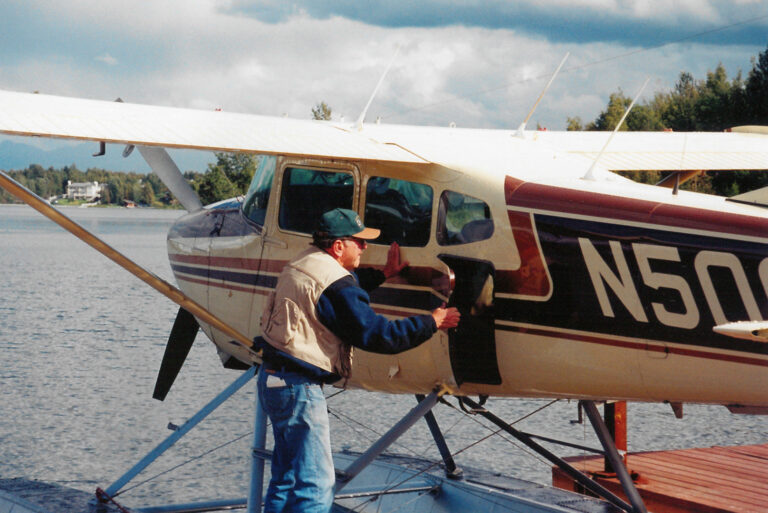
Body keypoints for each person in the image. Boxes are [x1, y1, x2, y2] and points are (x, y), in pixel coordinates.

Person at [254, 207, 460, 513]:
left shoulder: (306, 261)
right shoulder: (337, 284)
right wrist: (433, 321)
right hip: (299, 389)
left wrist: (383, 275)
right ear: (339, 246)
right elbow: (379, 335)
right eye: (359, 242)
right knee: (316, 485)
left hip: (271, 381)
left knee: (285, 478)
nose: (364, 247)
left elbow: (338, 292)